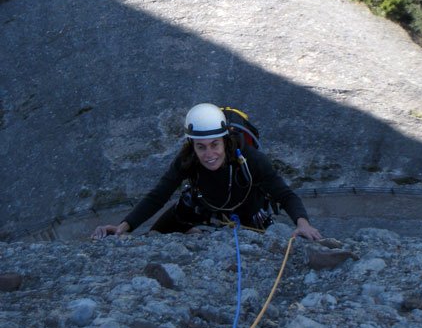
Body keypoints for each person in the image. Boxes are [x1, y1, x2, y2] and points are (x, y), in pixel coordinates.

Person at [92, 103, 322, 241]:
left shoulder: (249, 159)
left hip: (248, 211)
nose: (208, 153)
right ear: (192, 145)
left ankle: (195, 230)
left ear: (225, 141)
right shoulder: (188, 159)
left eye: (214, 145)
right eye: (201, 146)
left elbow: (284, 194)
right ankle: (193, 229)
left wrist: (302, 224)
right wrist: (123, 227)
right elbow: (159, 195)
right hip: (204, 206)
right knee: (155, 235)